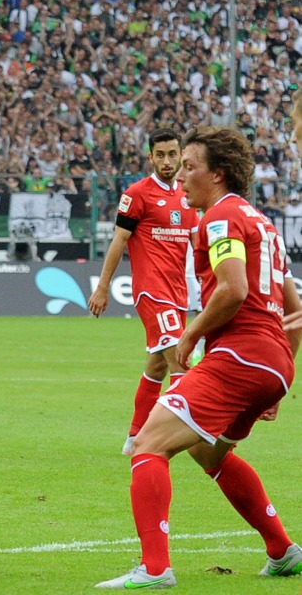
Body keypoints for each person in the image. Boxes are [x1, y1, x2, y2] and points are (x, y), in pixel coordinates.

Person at [96, 125, 302, 589]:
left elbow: (233, 290)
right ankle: (282, 551)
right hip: (272, 363)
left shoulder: (221, 218)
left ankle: (154, 569)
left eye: (190, 167)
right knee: (208, 453)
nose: (181, 175)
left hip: (239, 354)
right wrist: (281, 377)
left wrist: (190, 334)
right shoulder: (263, 224)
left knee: (149, 443)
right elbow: (296, 312)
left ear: (218, 174)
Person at [88, 128, 199, 455]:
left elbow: (197, 246)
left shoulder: (187, 196)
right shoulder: (138, 193)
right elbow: (118, 242)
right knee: (182, 365)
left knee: (157, 367)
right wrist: (102, 287)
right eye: (160, 155)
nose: (167, 161)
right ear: (150, 157)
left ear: (181, 156)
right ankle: (175, 439)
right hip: (152, 293)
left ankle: (134, 439)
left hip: (179, 294)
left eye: (172, 154)